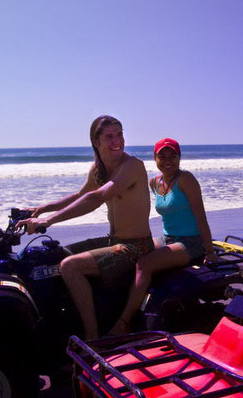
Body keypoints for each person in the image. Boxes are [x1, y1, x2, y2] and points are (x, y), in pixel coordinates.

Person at [17, 115, 153, 340]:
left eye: (119, 134)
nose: (117, 141)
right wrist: (42, 209)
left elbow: (96, 197)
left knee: (70, 266)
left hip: (137, 245)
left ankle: (92, 339)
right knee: (54, 256)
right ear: (96, 142)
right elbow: (80, 196)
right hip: (114, 240)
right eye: (109, 136)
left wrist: (49, 221)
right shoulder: (99, 168)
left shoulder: (132, 166)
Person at [108, 137, 217, 335]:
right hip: (167, 239)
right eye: (162, 155)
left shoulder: (186, 180)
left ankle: (124, 322)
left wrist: (209, 251)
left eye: (172, 155)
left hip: (191, 242)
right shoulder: (154, 182)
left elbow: (201, 217)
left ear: (179, 157)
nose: (168, 160)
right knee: (131, 255)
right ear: (154, 158)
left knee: (145, 264)